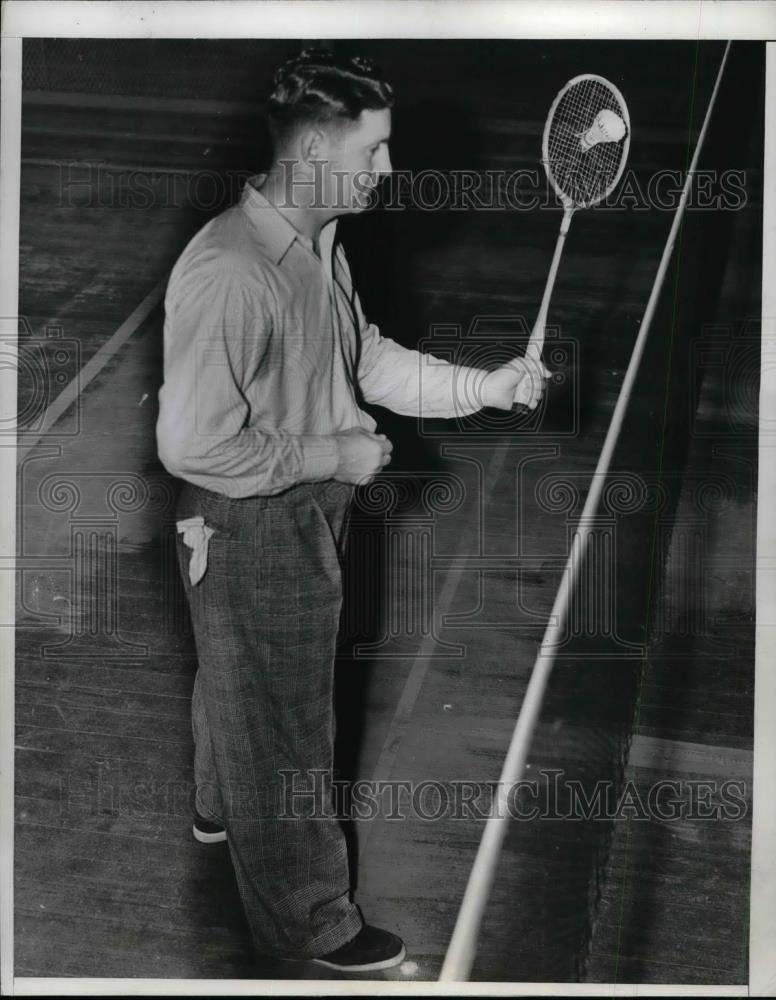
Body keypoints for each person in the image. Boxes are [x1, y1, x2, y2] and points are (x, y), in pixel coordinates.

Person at [156, 48, 550, 974]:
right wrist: (335, 452)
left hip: (299, 507)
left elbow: (359, 357)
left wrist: (481, 388)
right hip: (253, 520)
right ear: (317, 156)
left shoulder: (312, 245)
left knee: (244, 680)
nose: (386, 172)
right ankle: (310, 922)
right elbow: (192, 446)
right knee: (286, 718)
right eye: (373, 153)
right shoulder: (232, 272)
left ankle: (220, 806)